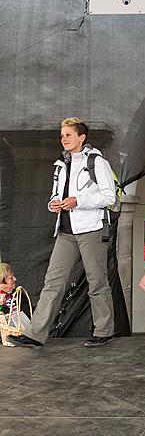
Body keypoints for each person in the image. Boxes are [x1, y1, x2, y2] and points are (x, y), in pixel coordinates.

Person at [8, 117, 116, 349]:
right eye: (62, 135)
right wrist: (54, 204)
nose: (63, 139)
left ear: (81, 137)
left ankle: (104, 331)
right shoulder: (60, 164)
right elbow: (55, 196)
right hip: (66, 231)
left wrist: (79, 200)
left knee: (97, 281)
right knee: (53, 282)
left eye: (68, 134)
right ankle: (36, 335)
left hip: (92, 230)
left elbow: (110, 197)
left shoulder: (97, 162)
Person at [0, 262, 31, 346]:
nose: (15, 279)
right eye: (11, 278)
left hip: (22, 336)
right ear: (1, 283)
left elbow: (29, 315)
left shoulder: (19, 294)